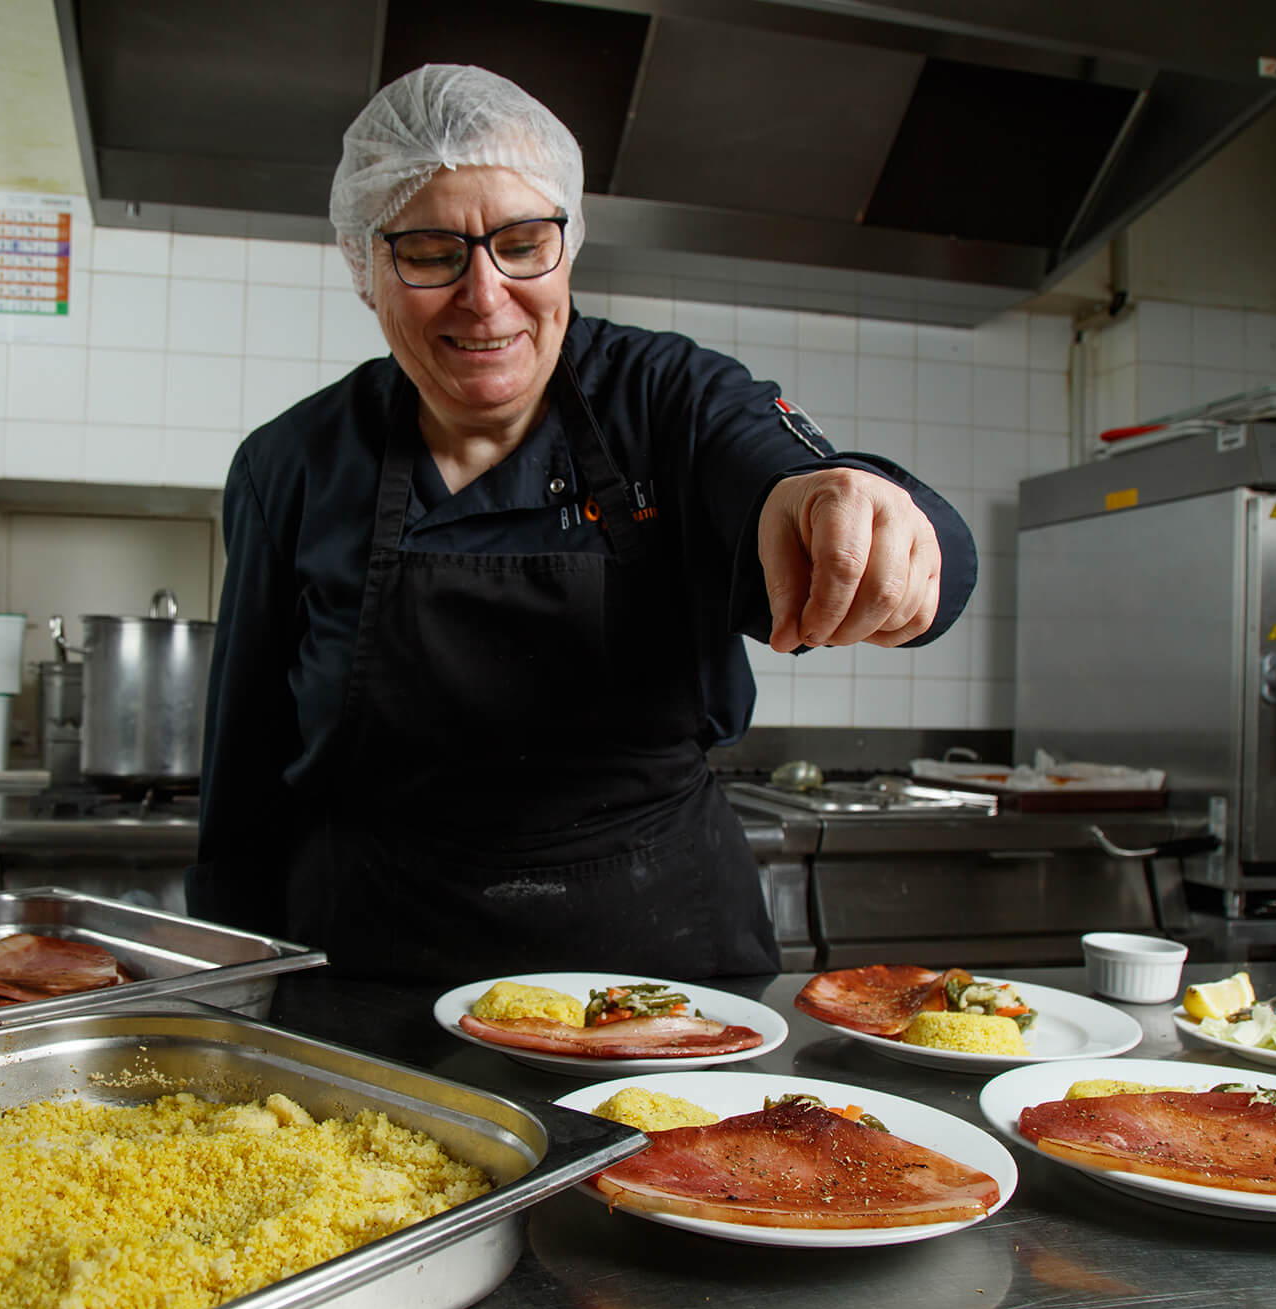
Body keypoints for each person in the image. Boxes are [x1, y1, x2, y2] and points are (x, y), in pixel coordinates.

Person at [192, 64, 975, 982]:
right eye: (433, 252)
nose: (485, 295)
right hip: (377, 981)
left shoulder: (668, 402)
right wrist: (223, 1009)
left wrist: (859, 508)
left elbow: (809, 489)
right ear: (367, 268)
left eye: (522, 243)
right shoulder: (290, 466)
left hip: (664, 979)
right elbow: (242, 794)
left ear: (568, 246)